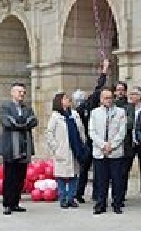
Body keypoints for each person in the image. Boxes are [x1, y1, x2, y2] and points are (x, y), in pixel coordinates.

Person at [0, 82, 38, 215]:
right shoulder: (5, 106)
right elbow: (7, 122)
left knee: (20, 177)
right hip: (10, 147)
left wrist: (20, 123)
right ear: (12, 92)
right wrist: (23, 123)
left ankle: (15, 202)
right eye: (19, 91)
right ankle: (7, 204)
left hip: (24, 147)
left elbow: (34, 121)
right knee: (10, 176)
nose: (21, 94)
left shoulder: (27, 108)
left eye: (23, 92)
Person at [75, 58, 110, 204]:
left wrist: (104, 71)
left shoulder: (90, 105)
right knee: (84, 169)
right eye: (77, 99)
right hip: (86, 143)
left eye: (81, 98)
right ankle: (78, 193)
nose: (79, 101)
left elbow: (98, 88)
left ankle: (97, 194)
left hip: (96, 140)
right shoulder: (76, 111)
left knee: (98, 170)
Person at [89, 88, 127, 215]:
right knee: (101, 180)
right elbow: (92, 132)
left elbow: (122, 132)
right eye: (106, 98)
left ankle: (117, 204)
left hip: (115, 152)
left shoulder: (120, 112)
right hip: (100, 151)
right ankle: (100, 204)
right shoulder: (95, 113)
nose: (108, 100)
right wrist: (103, 145)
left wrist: (112, 145)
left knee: (117, 179)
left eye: (110, 97)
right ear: (101, 99)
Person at [46, 92, 87, 209]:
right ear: (60, 101)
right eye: (65, 98)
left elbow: (80, 129)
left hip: (75, 148)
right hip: (62, 149)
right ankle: (63, 198)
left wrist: (83, 143)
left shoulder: (74, 114)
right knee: (61, 176)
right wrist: (55, 147)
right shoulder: (55, 116)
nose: (68, 100)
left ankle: (71, 198)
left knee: (74, 174)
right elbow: (49, 133)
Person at [124, 86, 141, 204]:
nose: (132, 96)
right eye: (131, 94)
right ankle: (122, 192)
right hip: (129, 142)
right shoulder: (127, 108)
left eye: (135, 94)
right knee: (125, 168)